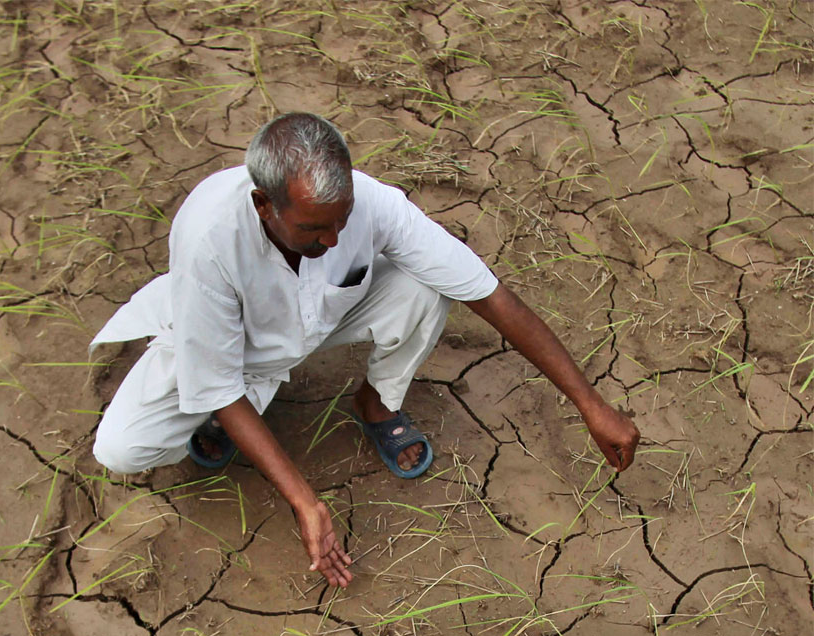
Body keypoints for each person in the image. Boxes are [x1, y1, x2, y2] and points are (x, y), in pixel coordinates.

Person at [91, 113, 639, 588]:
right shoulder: (209, 237)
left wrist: (590, 404)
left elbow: (491, 297)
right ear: (264, 205)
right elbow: (218, 383)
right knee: (122, 449)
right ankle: (230, 417)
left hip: (320, 320)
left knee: (427, 285)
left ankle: (376, 404)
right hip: (229, 341)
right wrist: (307, 502)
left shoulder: (371, 205)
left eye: (341, 221)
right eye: (313, 229)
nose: (333, 241)